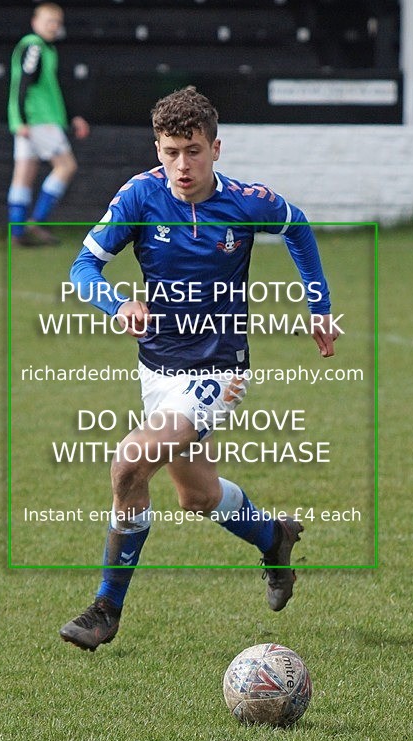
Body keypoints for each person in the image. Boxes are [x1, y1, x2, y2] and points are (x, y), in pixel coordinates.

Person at [60, 86, 338, 652]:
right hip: (156, 370)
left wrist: (319, 306)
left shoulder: (244, 201)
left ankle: (105, 609)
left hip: (218, 370)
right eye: (169, 152)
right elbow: (84, 265)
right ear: (157, 149)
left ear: (216, 147)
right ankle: (274, 536)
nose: (181, 166)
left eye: (193, 151)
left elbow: (299, 227)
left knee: (128, 467)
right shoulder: (140, 196)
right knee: (199, 498)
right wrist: (118, 304)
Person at [7, 2, 89, 246]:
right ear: (35, 22)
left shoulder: (46, 49)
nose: (54, 26)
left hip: (27, 122)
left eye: (57, 21)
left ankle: (18, 230)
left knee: (23, 174)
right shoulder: (34, 46)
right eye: (49, 21)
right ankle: (38, 221)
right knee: (66, 166)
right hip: (39, 120)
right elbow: (23, 83)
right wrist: (22, 119)